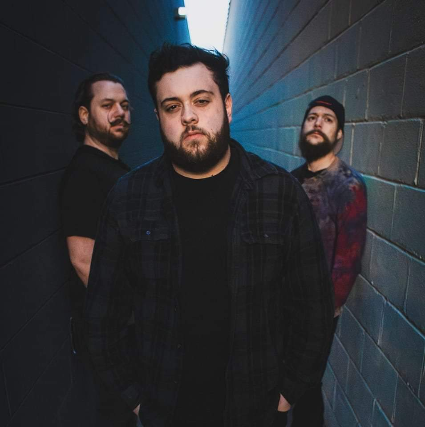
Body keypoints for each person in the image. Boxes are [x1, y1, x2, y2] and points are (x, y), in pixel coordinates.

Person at [84, 44, 334, 427]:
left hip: (256, 412)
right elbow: (102, 316)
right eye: (172, 106)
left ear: (227, 106)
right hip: (167, 412)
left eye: (201, 100)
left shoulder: (279, 193)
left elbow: (313, 307)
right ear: (158, 117)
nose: (188, 116)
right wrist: (135, 401)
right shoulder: (128, 198)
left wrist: (286, 395)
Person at [60, 73, 136, 427]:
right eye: (107, 105)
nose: (120, 112)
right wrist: (134, 311)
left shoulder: (110, 168)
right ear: (84, 115)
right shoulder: (85, 173)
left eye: (124, 105)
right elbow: (83, 260)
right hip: (111, 335)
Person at [291, 96, 367, 426]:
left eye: (327, 119)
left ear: (338, 135)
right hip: (282, 301)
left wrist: (323, 315)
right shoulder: (291, 180)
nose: (317, 122)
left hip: (317, 311)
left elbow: (348, 262)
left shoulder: (348, 185)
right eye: (312, 117)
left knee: (305, 387)